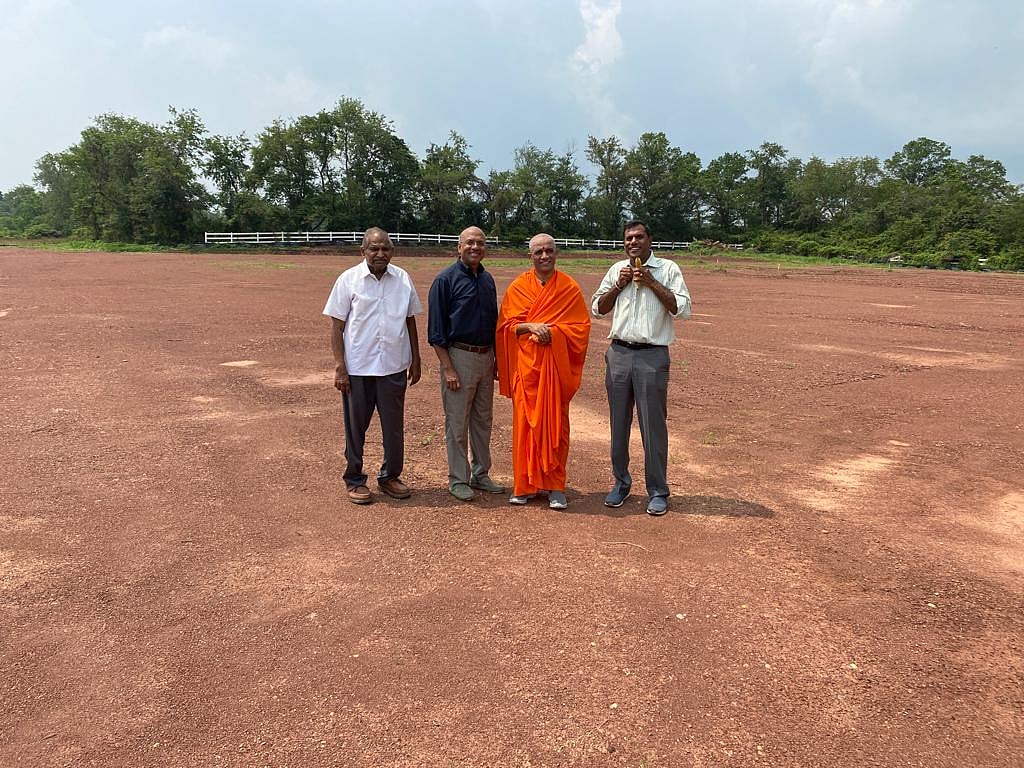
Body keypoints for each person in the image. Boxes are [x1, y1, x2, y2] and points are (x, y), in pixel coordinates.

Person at [591, 220, 691, 516]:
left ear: (650, 240)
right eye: (628, 238)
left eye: (638, 237)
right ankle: (620, 483)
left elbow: (682, 308)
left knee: (653, 426)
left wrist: (651, 282)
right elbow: (598, 308)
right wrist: (620, 284)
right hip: (620, 353)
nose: (632, 242)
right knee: (618, 424)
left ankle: (658, 490)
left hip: (652, 355)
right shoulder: (616, 270)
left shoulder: (668, 269)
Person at [323, 227, 422, 505]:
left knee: (393, 427)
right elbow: (337, 326)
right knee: (356, 428)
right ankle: (354, 478)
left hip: (392, 367)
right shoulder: (348, 280)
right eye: (374, 249)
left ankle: (390, 476)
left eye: (386, 248)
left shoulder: (402, 279)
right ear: (362, 251)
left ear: (392, 250)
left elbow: (410, 320)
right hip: (358, 368)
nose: (380, 254)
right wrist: (340, 366)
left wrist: (416, 358)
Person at [496, 233, 590, 509]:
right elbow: (505, 327)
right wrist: (529, 326)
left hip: (554, 372)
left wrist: (553, 332)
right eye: (539, 252)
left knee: (556, 427)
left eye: (549, 250)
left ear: (556, 253)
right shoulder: (518, 287)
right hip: (526, 372)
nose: (544, 256)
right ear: (530, 257)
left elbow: (580, 328)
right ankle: (523, 484)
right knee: (524, 428)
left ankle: (555, 485)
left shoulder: (569, 288)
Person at [427, 226, 505, 501]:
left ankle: (481, 474)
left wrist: (495, 360)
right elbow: (436, 331)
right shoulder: (445, 281)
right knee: (457, 422)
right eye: (469, 243)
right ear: (458, 247)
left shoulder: (487, 280)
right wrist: (448, 367)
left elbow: (494, 322)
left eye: (480, 243)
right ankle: (458, 478)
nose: (475, 247)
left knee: (483, 420)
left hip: (485, 356)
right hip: (458, 356)